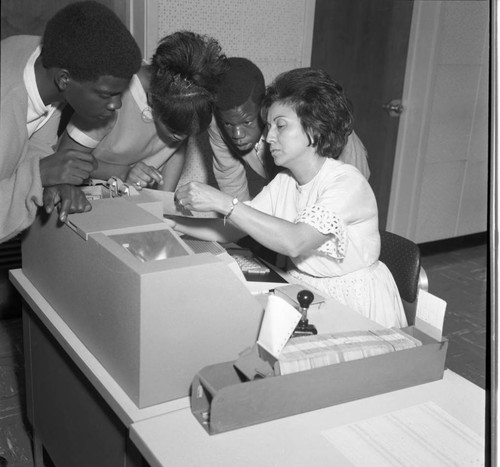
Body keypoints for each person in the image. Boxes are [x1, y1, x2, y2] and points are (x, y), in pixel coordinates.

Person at [168, 67, 407, 328]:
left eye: (281, 126)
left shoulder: (347, 183)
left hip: (356, 304)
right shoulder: (285, 181)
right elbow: (233, 231)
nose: (269, 137)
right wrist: (173, 224)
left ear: (315, 129)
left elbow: (295, 241)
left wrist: (223, 202)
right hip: (306, 291)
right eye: (269, 127)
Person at [0, 0, 142, 244]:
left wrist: (52, 182)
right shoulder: (6, 97)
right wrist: (40, 174)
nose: (116, 105)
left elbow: (28, 143)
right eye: (106, 94)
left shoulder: (42, 61)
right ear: (64, 80)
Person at [57, 31, 229, 192]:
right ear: (153, 98)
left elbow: (175, 149)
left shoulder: (184, 91)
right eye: (175, 130)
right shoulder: (113, 93)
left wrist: (164, 207)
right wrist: (124, 173)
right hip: (76, 193)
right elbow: (66, 159)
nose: (182, 137)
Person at [209, 57, 370, 202]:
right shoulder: (219, 123)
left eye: (247, 122)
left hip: (342, 159)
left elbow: (350, 198)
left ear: (263, 107)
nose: (237, 134)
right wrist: (240, 224)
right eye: (228, 124)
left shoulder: (313, 130)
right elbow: (230, 180)